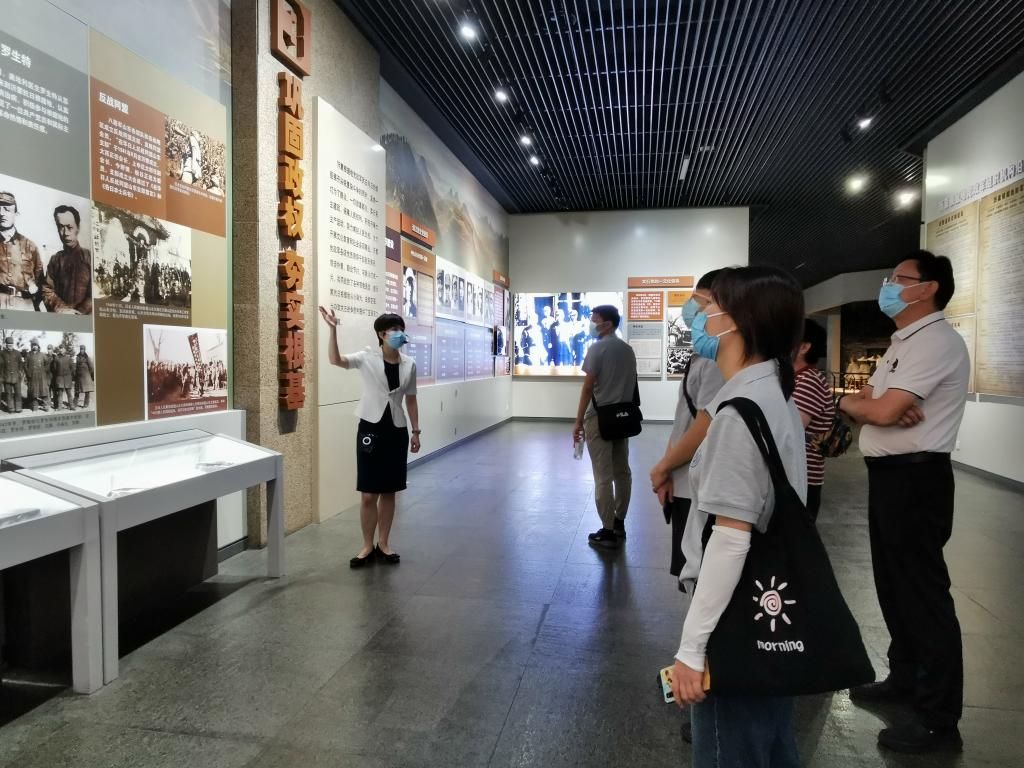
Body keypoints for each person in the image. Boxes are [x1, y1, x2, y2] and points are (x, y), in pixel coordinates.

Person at [668, 265, 807, 767]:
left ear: (736, 321)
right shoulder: (770, 393)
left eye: (708, 306)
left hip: (737, 615)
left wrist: (692, 649)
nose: (698, 316)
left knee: (731, 749)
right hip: (767, 606)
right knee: (770, 746)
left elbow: (730, 539)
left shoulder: (739, 411)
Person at [838, 251, 968, 754]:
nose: (889, 285)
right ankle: (906, 678)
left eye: (899, 278)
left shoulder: (936, 341)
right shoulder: (903, 342)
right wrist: (864, 405)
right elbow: (869, 405)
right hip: (891, 478)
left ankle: (939, 719)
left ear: (927, 288)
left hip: (918, 480)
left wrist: (874, 407)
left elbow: (883, 409)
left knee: (923, 595)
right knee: (893, 587)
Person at [319, 307, 421, 567]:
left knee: (389, 491)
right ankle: (366, 545)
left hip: (396, 430)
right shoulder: (367, 357)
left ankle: (383, 544)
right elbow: (336, 360)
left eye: (402, 329)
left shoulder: (409, 364)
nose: (400, 334)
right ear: (381, 334)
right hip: (370, 428)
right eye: (394, 330)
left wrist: (416, 431)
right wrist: (332, 330)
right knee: (368, 493)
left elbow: (411, 399)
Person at [650, 270, 726, 577]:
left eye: (699, 300)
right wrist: (668, 466)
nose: (692, 309)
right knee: (689, 572)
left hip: (701, 488)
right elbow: (686, 418)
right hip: (685, 480)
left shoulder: (718, 361)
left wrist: (663, 467)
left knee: (699, 574)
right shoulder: (702, 355)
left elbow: (705, 425)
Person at [572, 305, 637, 549]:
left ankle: (607, 530)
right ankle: (619, 522)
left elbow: (588, 387)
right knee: (623, 471)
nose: (592, 324)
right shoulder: (628, 350)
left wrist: (578, 420)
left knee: (603, 475)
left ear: (607, 324)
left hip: (599, 419)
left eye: (595, 320)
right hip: (623, 418)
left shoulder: (597, 348)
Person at [792, 318, 835, 522]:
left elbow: (791, 428)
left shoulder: (808, 381)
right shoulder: (798, 378)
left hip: (802, 480)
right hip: (796, 479)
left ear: (804, 347)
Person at [43, 205, 93, 314]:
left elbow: (95, 291)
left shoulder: (89, 257)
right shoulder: (55, 260)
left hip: (85, 318)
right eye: (61, 227)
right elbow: (47, 290)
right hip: (61, 317)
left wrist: (79, 312)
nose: (65, 233)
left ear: (78, 227)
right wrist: (63, 309)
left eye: (70, 227)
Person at [0, 191, 44, 311]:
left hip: (25, 305)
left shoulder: (30, 246)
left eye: (7, 209)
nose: (1, 213)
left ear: (16, 214)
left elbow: (41, 282)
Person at [1, 336, 25, 413]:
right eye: (8, 344)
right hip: (6, 377)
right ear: (6, 344)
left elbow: (21, 364)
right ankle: (11, 408)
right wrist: (2, 376)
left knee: (18, 393)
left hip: (16, 377)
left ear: (13, 344)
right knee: (9, 394)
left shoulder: (17, 353)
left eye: (11, 343)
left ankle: (18, 408)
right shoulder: (2, 353)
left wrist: (20, 373)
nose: (10, 345)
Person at [24, 340, 49, 412]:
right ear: (31, 346)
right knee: (34, 392)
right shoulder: (28, 355)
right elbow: (25, 365)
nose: (34, 346)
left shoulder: (42, 355)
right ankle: (35, 406)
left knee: (43, 391)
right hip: (32, 376)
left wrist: (44, 371)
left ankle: (45, 405)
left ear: (38, 346)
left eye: (36, 345)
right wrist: (28, 373)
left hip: (41, 377)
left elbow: (47, 364)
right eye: (33, 345)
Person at [52, 345, 75, 410]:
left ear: (65, 349)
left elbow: (72, 368)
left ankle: (71, 406)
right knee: (60, 393)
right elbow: (55, 368)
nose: (61, 350)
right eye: (60, 348)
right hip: (59, 378)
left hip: (67, 378)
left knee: (69, 393)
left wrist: (69, 375)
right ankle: (59, 407)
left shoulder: (68, 357)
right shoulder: (56, 358)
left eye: (62, 348)